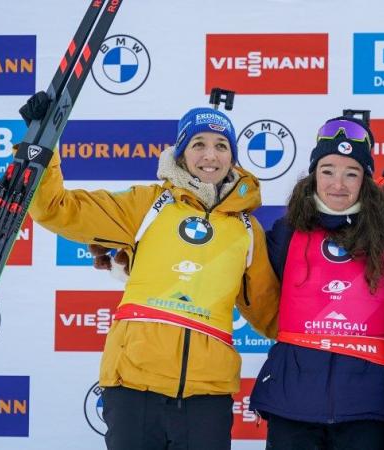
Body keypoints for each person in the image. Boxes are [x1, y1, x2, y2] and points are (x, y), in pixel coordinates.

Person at [20, 95, 280, 450]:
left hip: (207, 395)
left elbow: (272, 313)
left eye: (221, 146)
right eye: (198, 144)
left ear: (232, 157)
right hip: (134, 385)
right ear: (181, 153)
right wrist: (42, 145)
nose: (210, 155)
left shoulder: (247, 230)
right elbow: (57, 209)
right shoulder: (148, 205)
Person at [249, 116, 384, 450]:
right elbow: (239, 270)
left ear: (366, 180)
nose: (339, 184)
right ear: (313, 175)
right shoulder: (286, 232)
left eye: (352, 173)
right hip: (293, 403)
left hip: (366, 406)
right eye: (328, 170)